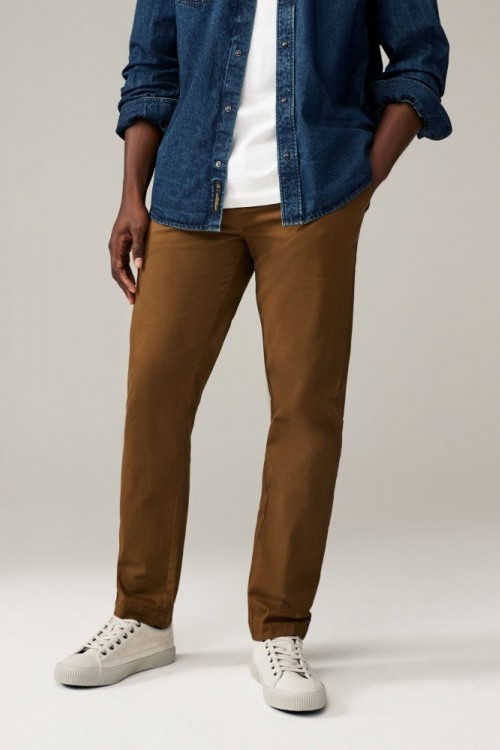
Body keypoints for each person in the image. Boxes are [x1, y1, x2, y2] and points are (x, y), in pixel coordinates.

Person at [54, 0, 452, 712]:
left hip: (315, 193)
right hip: (188, 193)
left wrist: (363, 181)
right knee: (154, 394)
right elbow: (151, 70)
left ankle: (280, 627)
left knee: (305, 407)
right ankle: (142, 616)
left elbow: (420, 59)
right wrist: (131, 197)